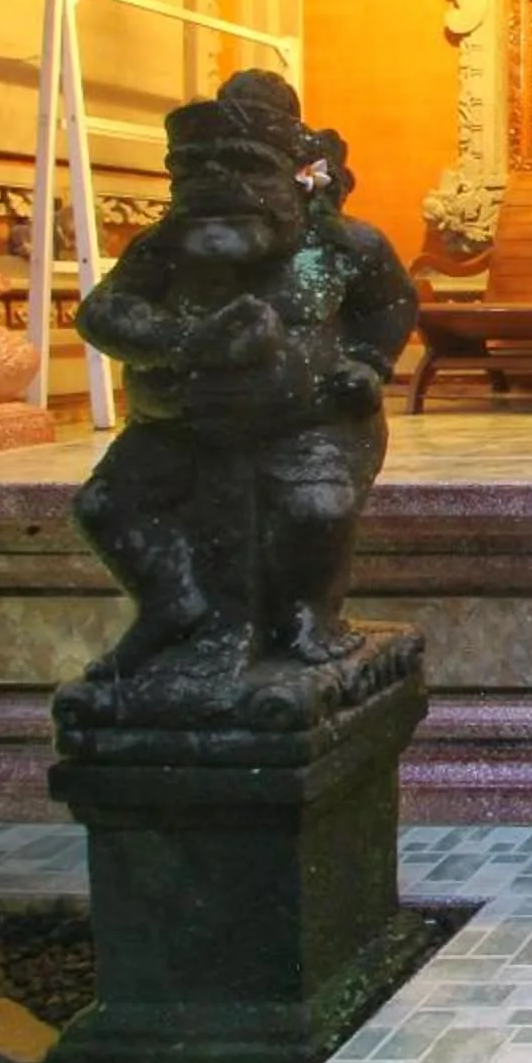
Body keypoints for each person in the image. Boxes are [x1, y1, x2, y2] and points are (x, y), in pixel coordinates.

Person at [71, 71, 417, 679]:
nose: (220, 192)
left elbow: (391, 303)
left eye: (247, 174)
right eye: (197, 180)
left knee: (317, 510)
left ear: (294, 178)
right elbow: (103, 310)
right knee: (106, 507)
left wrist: (369, 363)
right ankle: (171, 602)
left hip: (311, 424)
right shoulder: (164, 247)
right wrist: (184, 341)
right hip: (179, 423)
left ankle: (308, 613)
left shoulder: (343, 245)